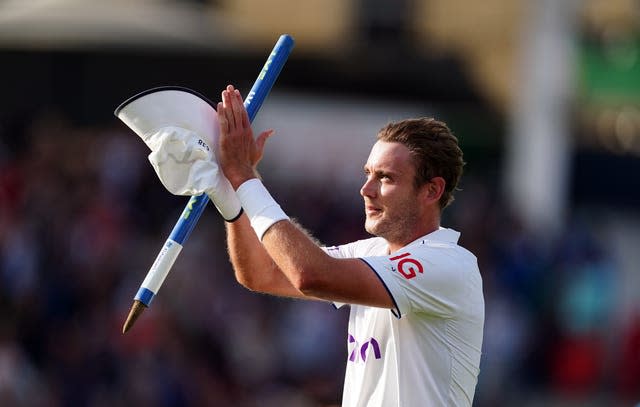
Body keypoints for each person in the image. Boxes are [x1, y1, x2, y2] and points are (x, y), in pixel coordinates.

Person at [213, 84, 484, 407]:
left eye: (385, 178)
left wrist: (246, 178)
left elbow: (308, 274)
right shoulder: (369, 254)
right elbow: (261, 272)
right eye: (368, 174)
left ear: (431, 191)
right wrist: (232, 192)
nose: (365, 189)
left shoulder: (449, 264)